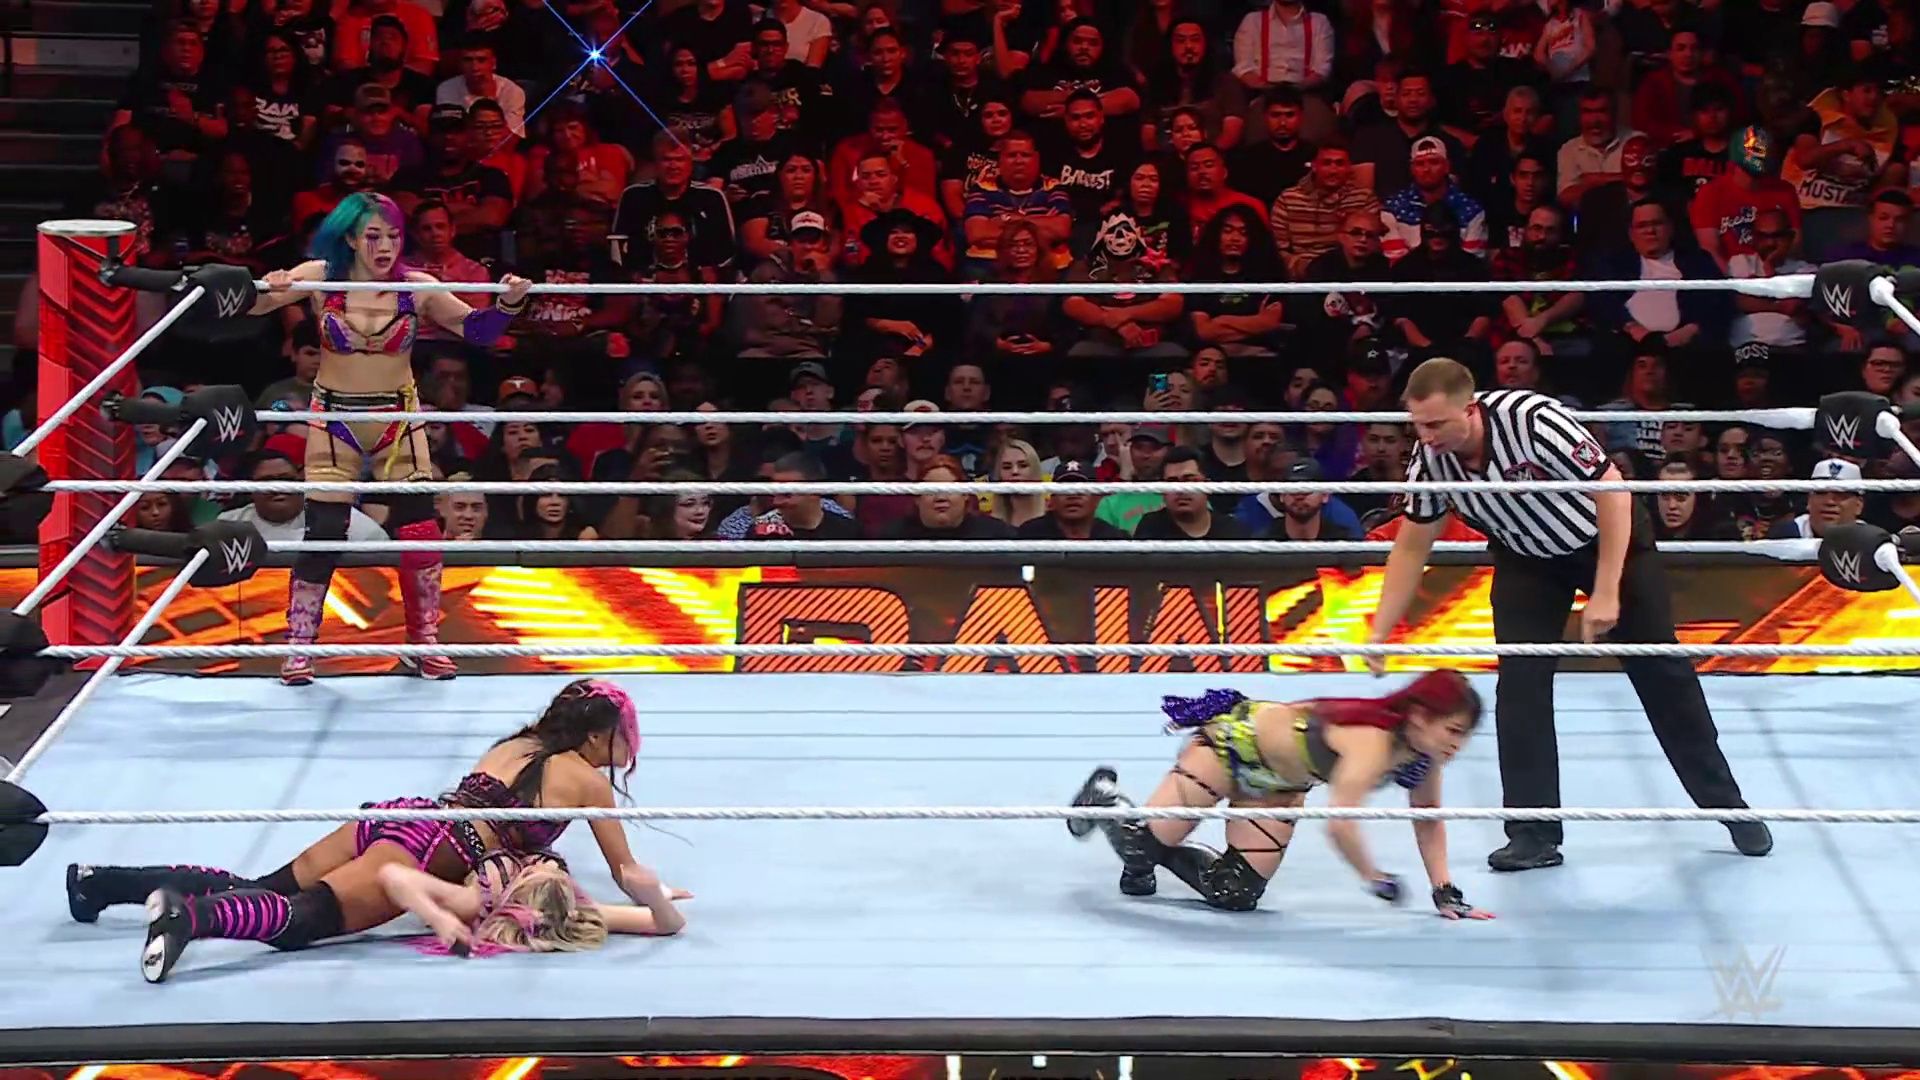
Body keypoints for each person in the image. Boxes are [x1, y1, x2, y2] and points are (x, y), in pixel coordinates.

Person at [1370, 357, 1770, 873]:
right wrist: (1380, 631)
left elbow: (1613, 493)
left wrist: (1605, 591)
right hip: (1527, 558)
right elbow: (1411, 546)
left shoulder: (1533, 420)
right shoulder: (1430, 462)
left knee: (1662, 673)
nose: (1426, 437)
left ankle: (1729, 806)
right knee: (1520, 684)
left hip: (1608, 540)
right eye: (1418, 426)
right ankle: (1533, 833)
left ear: (1469, 409)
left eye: (1436, 425)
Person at [58, 679, 679, 982]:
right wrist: (655, 893)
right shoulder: (587, 781)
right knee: (300, 920)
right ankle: (188, 918)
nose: (629, 748)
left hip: (403, 816)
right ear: (598, 735)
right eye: (623, 736)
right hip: (433, 851)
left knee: (262, 886)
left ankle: (99, 882)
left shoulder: (518, 742)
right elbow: (626, 872)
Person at [245, 191, 533, 686]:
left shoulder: (416, 287)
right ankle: (298, 648)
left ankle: (424, 643)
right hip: (335, 416)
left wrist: (509, 304)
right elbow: (252, 306)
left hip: (397, 418)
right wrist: (268, 287)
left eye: (394, 236)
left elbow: (478, 331)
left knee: (420, 530)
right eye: (373, 236)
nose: (384, 247)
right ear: (350, 238)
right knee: (325, 530)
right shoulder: (322, 275)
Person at [1069, 669, 1493, 919]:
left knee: (1235, 893)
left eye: (1464, 735)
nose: (1457, 745)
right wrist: (1374, 878)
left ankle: (1150, 850)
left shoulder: (1421, 757)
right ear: (1419, 716)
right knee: (1140, 848)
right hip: (1231, 748)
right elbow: (1340, 823)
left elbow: (1427, 817)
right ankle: (1107, 801)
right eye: (1453, 731)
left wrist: (1444, 890)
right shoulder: (1373, 741)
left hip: (1278, 787)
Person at [377, 850, 684, 957]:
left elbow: (392, 875)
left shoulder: (478, 899)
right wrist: (654, 897)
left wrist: (438, 917)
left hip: (477, 840)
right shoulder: (579, 911)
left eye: (539, 869)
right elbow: (668, 924)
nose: (544, 864)